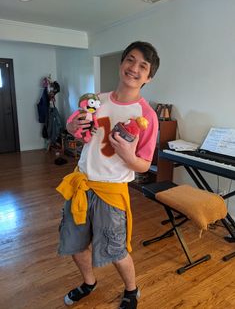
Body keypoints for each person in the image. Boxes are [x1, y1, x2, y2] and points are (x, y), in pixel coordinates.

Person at [56, 41, 160, 309]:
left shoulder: (146, 115)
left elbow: (144, 165)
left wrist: (127, 155)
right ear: (121, 63)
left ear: (149, 77)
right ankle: (89, 283)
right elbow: (75, 131)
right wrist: (71, 124)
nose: (134, 68)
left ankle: (132, 290)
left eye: (142, 66)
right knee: (76, 244)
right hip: (81, 184)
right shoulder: (96, 100)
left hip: (112, 192)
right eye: (130, 60)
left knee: (115, 250)